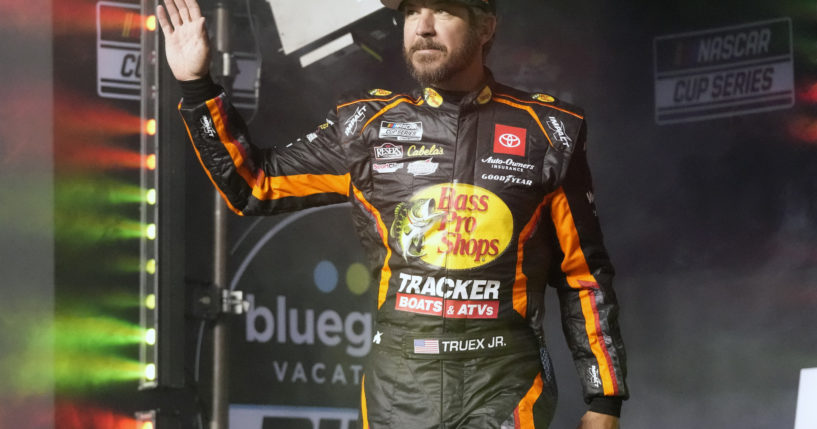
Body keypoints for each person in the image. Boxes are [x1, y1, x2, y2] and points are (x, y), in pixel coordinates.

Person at [156, 0, 629, 427]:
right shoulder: (365, 128)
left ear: (486, 26)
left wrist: (604, 399)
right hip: (398, 390)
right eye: (410, 12)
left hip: (504, 381)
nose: (422, 27)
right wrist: (197, 87)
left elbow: (583, 276)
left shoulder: (549, 133)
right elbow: (254, 185)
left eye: (442, 10)